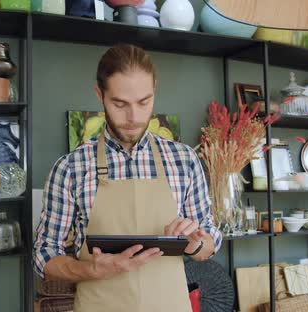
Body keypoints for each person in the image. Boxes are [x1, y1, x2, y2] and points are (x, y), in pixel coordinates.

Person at [33, 43, 222, 311]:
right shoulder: (70, 168)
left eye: (144, 102)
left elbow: (209, 242)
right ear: (100, 94)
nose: (133, 117)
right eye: (120, 104)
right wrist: (90, 270)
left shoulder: (184, 160)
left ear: (154, 91)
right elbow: (44, 255)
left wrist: (194, 243)